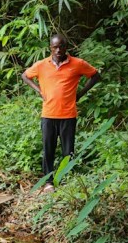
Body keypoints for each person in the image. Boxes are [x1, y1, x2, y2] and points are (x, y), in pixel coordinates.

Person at [22, 34, 101, 192]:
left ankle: (66, 180)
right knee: (48, 149)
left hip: (68, 115)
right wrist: (39, 91)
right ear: (50, 48)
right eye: (55, 47)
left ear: (66, 47)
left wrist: (80, 94)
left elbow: (96, 76)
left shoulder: (78, 64)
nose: (58, 50)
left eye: (61, 47)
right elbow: (25, 75)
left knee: (68, 151)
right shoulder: (41, 65)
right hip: (48, 115)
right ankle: (49, 182)